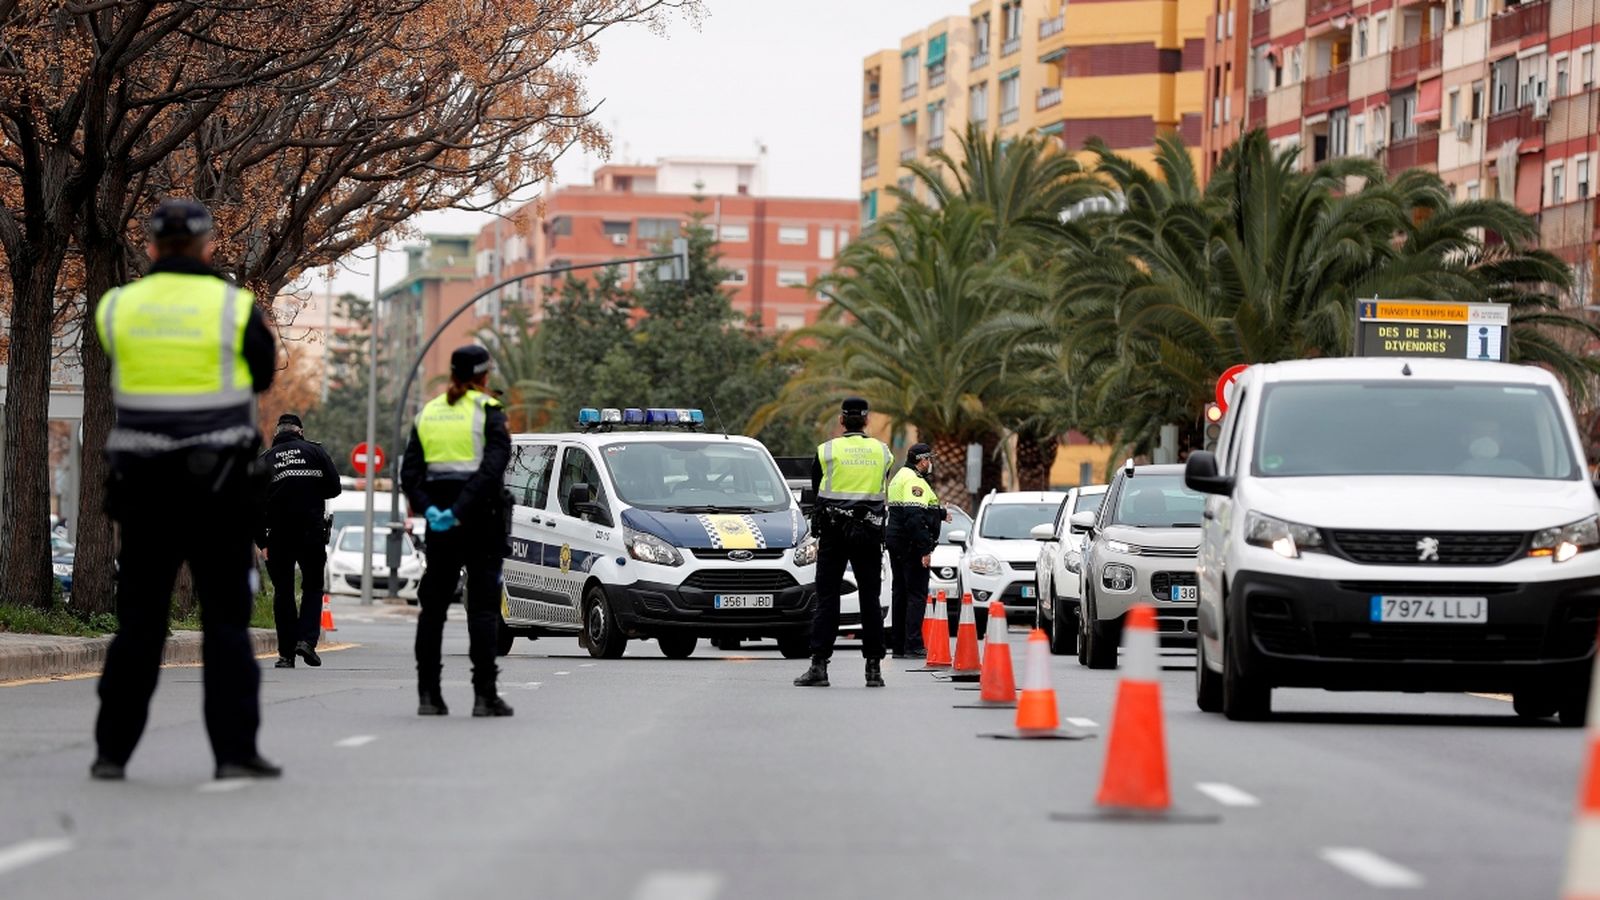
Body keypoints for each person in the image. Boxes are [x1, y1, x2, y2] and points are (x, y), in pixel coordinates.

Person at [90, 198, 281, 781]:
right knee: (225, 624)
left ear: (148, 247)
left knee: (140, 624)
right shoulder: (235, 307)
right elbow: (265, 374)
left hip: (144, 489)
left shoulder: (116, 308)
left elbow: (113, 357)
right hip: (218, 489)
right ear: (209, 245)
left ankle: (112, 754)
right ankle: (233, 753)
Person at [400, 344, 514, 717]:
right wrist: (462, 508)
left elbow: (410, 475)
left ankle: (428, 696)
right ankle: (485, 696)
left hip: (441, 527)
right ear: (484, 376)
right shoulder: (489, 412)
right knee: (482, 610)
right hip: (482, 521)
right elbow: (493, 469)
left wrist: (434, 510)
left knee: (432, 609)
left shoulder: (427, 413)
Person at [795, 397, 894, 688]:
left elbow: (817, 488)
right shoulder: (882, 452)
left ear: (841, 420)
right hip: (869, 532)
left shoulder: (827, 451)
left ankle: (819, 667)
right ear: (866, 421)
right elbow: (881, 483)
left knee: (827, 598)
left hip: (835, 533)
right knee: (870, 599)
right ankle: (874, 669)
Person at [256, 413, 342, 669]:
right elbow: (334, 487)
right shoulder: (315, 452)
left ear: (277, 433)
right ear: (300, 432)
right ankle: (306, 641)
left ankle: (286, 655)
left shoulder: (266, 460)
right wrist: (312, 489)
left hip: (279, 534)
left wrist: (262, 543)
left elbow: (252, 505)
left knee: (283, 591)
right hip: (311, 532)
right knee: (313, 586)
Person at [886, 443, 943, 659]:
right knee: (916, 595)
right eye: (929, 459)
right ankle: (914, 645)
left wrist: (941, 512)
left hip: (897, 542)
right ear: (923, 460)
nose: (931, 464)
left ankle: (899, 645)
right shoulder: (913, 481)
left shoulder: (900, 476)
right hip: (910, 545)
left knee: (900, 593)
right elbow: (913, 516)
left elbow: (908, 511)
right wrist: (925, 549)